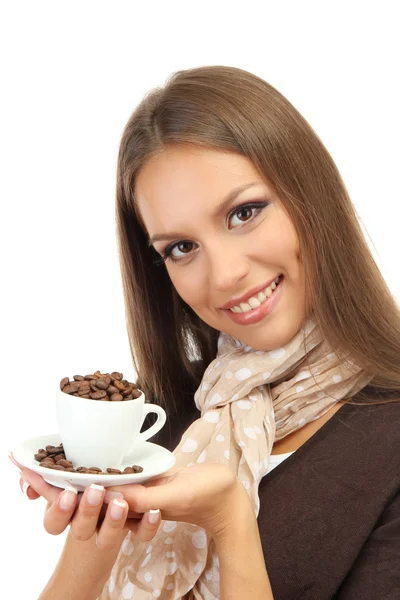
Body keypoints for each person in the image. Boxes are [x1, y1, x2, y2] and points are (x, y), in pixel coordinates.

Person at [10, 65, 400, 600]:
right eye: (181, 247)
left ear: (312, 197)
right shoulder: (160, 433)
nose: (223, 275)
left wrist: (230, 524)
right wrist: (95, 533)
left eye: (244, 212)